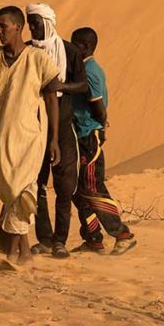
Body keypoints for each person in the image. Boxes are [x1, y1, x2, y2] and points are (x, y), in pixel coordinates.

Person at [0, 6, 61, 267]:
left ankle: (11, 252)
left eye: (4, 25)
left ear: (18, 27)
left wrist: (54, 139)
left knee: (21, 190)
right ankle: (24, 252)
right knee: (9, 191)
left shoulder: (38, 59)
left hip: (29, 137)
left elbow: (51, 98)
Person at [26, 3, 87, 258]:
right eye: (30, 23)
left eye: (36, 22)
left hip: (62, 123)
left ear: (47, 23)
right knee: (37, 183)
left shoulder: (69, 51)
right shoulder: (27, 52)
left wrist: (58, 87)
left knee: (64, 184)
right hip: (34, 123)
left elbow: (83, 85)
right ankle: (45, 239)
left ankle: (61, 240)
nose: (32, 28)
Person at [70, 27, 137, 255]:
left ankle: (122, 234)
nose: (71, 48)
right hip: (81, 135)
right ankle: (93, 239)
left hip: (89, 135)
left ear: (85, 47)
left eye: (75, 44)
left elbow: (99, 107)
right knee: (78, 191)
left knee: (91, 187)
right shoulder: (83, 69)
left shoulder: (90, 71)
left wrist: (100, 126)